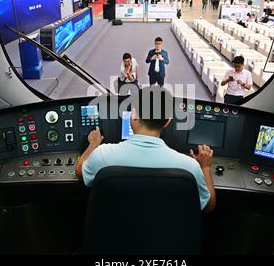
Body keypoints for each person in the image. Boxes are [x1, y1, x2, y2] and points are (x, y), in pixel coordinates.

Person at [75, 87, 216, 212]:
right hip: (167, 238)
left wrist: (93, 144)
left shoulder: (102, 155)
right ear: (167, 121)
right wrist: (205, 167)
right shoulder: (190, 167)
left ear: (134, 115)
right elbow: (209, 205)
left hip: (116, 235)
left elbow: (80, 170)